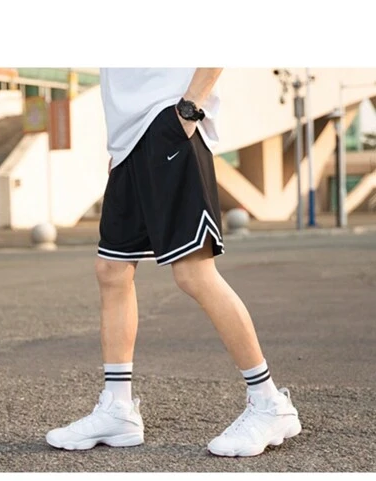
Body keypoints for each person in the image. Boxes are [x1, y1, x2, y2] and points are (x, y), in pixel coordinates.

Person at [46, 68, 301, 457]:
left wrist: (188, 109)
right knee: (112, 270)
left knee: (194, 272)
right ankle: (118, 409)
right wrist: (122, 146)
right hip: (128, 140)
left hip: (169, 121)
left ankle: (269, 403)